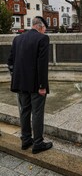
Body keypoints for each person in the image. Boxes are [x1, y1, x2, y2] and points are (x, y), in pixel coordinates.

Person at [7, 16, 53, 154]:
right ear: (40, 27)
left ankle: (26, 140)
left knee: (24, 111)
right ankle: (38, 143)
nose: (45, 32)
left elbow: (10, 62)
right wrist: (42, 86)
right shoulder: (42, 38)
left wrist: (16, 77)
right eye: (45, 29)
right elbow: (42, 64)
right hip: (35, 84)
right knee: (37, 112)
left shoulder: (17, 39)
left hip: (21, 83)